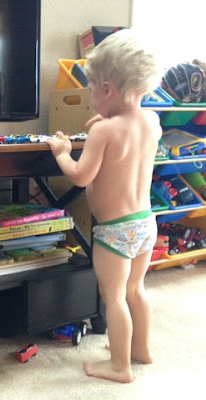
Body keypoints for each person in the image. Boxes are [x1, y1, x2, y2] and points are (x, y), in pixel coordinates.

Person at [46, 29, 162, 383]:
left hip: (115, 230)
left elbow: (81, 176)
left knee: (113, 296)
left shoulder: (103, 132)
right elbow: (127, 134)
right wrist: (107, 117)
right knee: (135, 290)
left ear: (108, 90)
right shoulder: (152, 122)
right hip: (145, 222)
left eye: (92, 90)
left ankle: (119, 366)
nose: (90, 96)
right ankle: (140, 349)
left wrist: (63, 154)